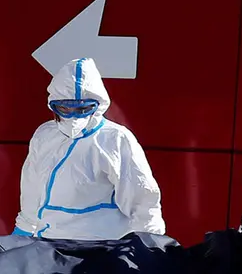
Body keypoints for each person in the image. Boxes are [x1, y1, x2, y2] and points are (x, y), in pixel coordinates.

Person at [12, 57, 166, 240]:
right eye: (64, 109)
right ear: (53, 105)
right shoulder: (45, 136)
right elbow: (32, 188)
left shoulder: (115, 139)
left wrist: (150, 244)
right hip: (48, 244)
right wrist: (23, 231)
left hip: (101, 247)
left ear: (98, 105)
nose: (74, 118)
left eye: (83, 109)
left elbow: (142, 200)